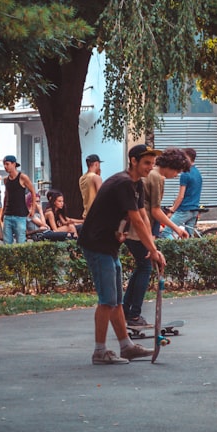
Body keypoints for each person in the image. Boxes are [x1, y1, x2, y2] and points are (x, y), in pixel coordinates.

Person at [77, 144, 166, 364]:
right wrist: (152, 251)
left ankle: (126, 347)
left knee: (116, 300)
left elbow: (143, 216)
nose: (150, 167)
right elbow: (135, 219)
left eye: (152, 164)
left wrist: (151, 247)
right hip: (97, 244)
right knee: (107, 301)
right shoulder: (124, 183)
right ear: (133, 161)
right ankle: (100, 351)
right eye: (146, 163)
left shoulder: (136, 184)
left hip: (109, 244)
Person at [123, 148, 191, 326]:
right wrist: (176, 228)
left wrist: (155, 234)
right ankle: (134, 315)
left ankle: (126, 311)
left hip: (138, 229)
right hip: (137, 230)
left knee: (141, 268)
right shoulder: (155, 177)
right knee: (145, 268)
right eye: (176, 171)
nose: (176, 175)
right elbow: (155, 211)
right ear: (169, 166)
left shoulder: (153, 176)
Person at [160, 148, 202, 239]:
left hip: (184, 210)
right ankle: (187, 253)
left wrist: (172, 210)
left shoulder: (185, 174)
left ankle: (176, 252)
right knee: (188, 237)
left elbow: (181, 196)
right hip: (194, 209)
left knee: (165, 233)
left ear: (187, 158)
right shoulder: (198, 173)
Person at [0, 155, 39, 244]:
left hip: (20, 215)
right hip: (8, 214)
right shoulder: (6, 180)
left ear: (14, 164)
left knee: (20, 240)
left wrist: (33, 209)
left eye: (7, 164)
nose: (5, 167)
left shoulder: (22, 177)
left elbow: (33, 192)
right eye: (4, 165)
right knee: (6, 241)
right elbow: (6, 196)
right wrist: (3, 212)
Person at [78, 154, 103, 218]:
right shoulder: (96, 177)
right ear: (96, 164)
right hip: (96, 214)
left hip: (86, 213)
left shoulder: (82, 178)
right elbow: (101, 196)